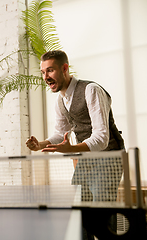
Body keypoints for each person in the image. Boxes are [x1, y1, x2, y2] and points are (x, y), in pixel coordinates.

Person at [25, 50, 125, 239]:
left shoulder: (91, 90)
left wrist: (71, 149)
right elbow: (59, 133)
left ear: (64, 68)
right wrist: (41, 145)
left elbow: (102, 137)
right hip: (86, 159)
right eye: (43, 72)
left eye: (50, 70)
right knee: (79, 211)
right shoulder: (60, 101)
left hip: (109, 156)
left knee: (102, 213)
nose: (46, 77)